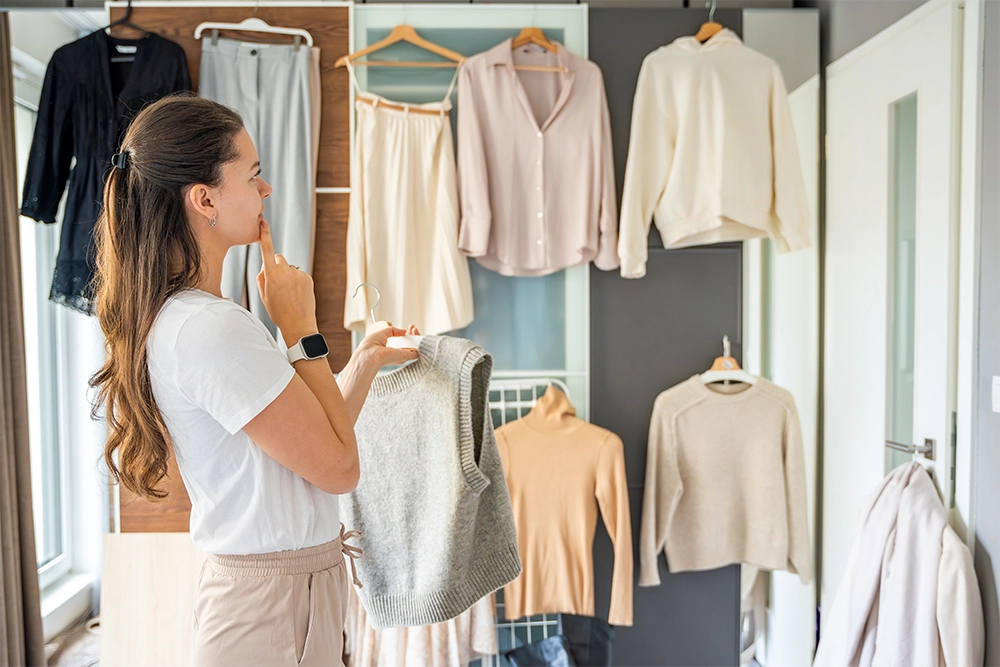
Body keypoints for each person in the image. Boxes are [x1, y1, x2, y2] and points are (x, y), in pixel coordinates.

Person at [89, 94, 418, 666]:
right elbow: (340, 468)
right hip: (271, 607)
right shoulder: (210, 328)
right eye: (254, 174)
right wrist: (301, 329)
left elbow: (304, 445)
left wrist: (361, 363)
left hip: (282, 596)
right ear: (205, 199)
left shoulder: (201, 318)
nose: (266, 190)